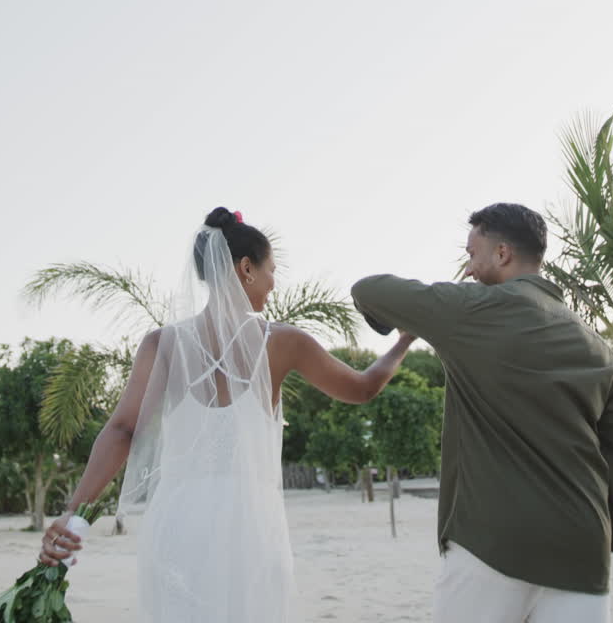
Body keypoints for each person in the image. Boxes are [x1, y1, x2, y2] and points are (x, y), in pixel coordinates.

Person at [39, 207, 413, 621]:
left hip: (177, 528)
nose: (274, 283)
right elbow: (362, 388)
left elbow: (122, 430)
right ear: (247, 268)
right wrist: (402, 343)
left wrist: (74, 512)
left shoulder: (161, 343)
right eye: (272, 270)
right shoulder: (283, 342)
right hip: (250, 530)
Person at [351, 201, 613, 623]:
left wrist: (411, 316)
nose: (468, 266)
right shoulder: (598, 349)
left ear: (501, 254)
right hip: (582, 549)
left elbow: (368, 289)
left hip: (489, 542)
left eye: (471, 254)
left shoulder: (468, 311)